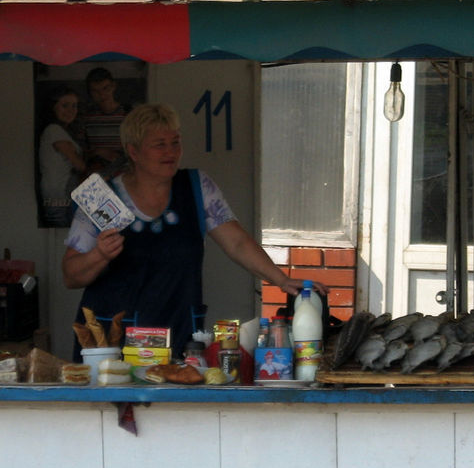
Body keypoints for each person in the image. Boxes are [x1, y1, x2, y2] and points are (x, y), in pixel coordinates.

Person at [62, 102, 328, 359]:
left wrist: (280, 279)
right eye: (159, 145)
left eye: (175, 142)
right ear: (133, 152)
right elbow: (70, 275)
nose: (171, 152)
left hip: (177, 334)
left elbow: (236, 242)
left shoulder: (197, 186)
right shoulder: (101, 198)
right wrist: (99, 254)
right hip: (111, 343)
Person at [39, 85, 86, 227]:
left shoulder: (62, 131)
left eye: (74, 106)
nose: (71, 111)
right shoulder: (54, 130)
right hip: (58, 195)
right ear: (53, 107)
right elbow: (80, 165)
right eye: (65, 105)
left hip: (63, 194)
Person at [83, 67, 133, 180]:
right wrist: (97, 153)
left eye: (106, 88)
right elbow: (81, 151)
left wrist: (116, 156)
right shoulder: (87, 117)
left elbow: (139, 147)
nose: (102, 94)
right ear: (90, 93)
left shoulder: (128, 114)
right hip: (97, 176)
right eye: (96, 91)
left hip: (125, 176)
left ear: (113, 86)